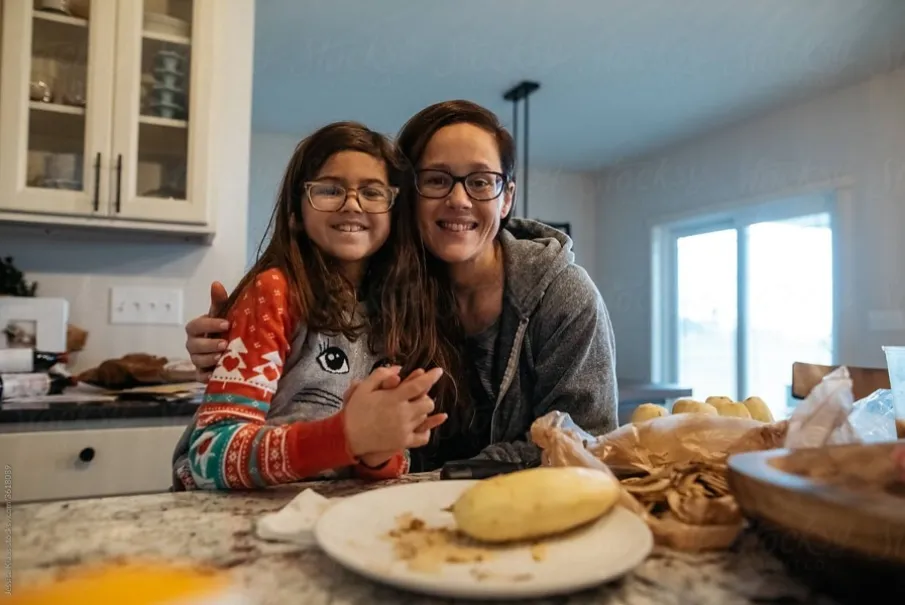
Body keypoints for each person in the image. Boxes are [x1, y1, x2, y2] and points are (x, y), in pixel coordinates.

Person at [184, 101, 618, 472]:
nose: (459, 199)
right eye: (436, 179)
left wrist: (378, 453)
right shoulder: (388, 286)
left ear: (507, 198)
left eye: (481, 181)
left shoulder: (563, 297)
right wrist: (234, 341)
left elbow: (588, 443)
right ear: (408, 197)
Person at [171, 121, 451, 491]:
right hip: (235, 513)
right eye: (330, 190)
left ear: (394, 214)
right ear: (296, 213)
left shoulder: (395, 309)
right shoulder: (275, 290)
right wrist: (346, 437)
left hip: (325, 511)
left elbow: (390, 459)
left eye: (372, 192)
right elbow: (208, 457)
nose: (352, 204)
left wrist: (377, 452)